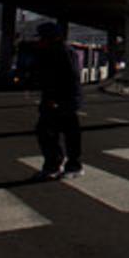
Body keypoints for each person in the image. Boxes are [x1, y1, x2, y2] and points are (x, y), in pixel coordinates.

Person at [30, 22, 84, 179]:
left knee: (68, 133)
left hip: (64, 100)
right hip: (53, 99)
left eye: (42, 38)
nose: (39, 41)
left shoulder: (64, 52)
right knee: (46, 132)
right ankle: (54, 164)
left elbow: (71, 78)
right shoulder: (48, 51)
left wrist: (58, 100)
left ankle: (72, 165)